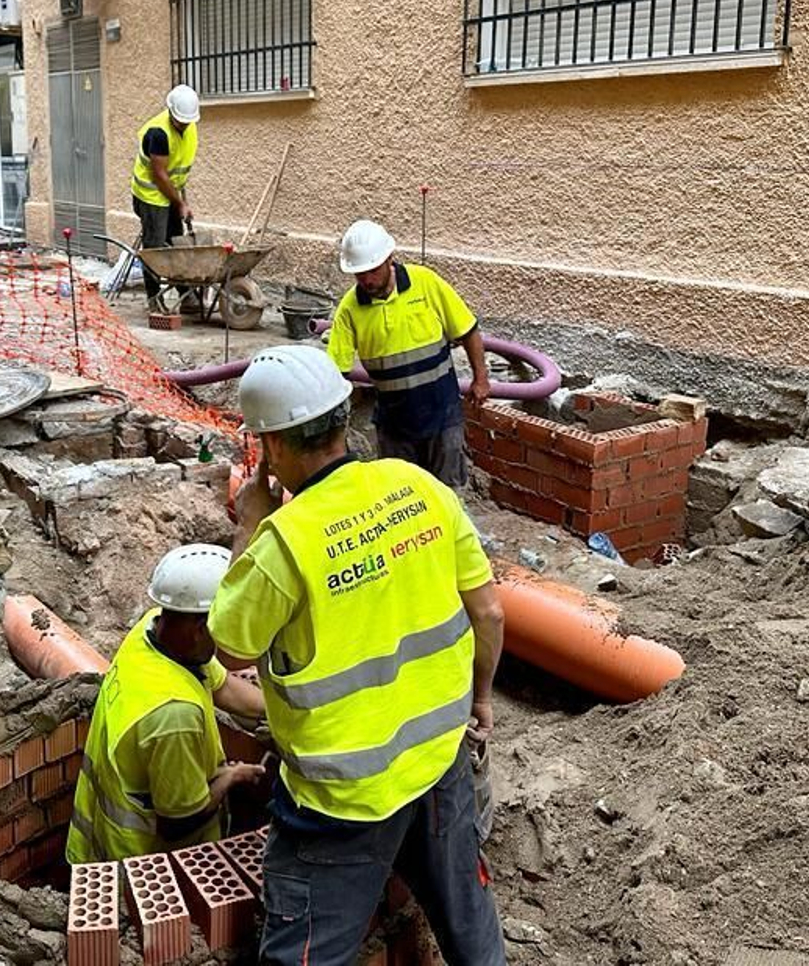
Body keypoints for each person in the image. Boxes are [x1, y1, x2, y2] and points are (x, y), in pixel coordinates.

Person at [208, 344, 507, 966]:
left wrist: (248, 526)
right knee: (469, 919)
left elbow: (229, 643)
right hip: (437, 760)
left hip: (341, 801)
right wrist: (480, 701)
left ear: (274, 446)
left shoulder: (283, 543)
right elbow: (489, 612)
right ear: (342, 419)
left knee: (309, 952)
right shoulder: (418, 488)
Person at [66, 543, 267, 864]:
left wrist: (281, 711)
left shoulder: (155, 630)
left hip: (106, 835)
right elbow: (180, 823)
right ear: (202, 628)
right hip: (145, 868)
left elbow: (225, 686)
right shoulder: (174, 715)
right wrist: (230, 777)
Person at [326, 219, 492, 488]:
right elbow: (336, 372)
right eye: (360, 274)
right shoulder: (349, 310)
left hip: (443, 414)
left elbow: (468, 329)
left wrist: (481, 378)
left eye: (373, 270)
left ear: (390, 259)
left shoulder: (424, 282)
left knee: (449, 494)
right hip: (395, 425)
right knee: (402, 499)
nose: (367, 279)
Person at [129, 84, 201, 309]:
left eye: (187, 121)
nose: (183, 124)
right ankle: (154, 299)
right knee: (155, 248)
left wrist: (180, 200)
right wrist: (180, 203)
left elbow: (178, 166)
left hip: (170, 193)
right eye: (180, 120)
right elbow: (159, 175)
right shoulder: (158, 133)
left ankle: (185, 295)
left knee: (176, 242)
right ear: (170, 111)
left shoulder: (189, 126)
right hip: (150, 196)